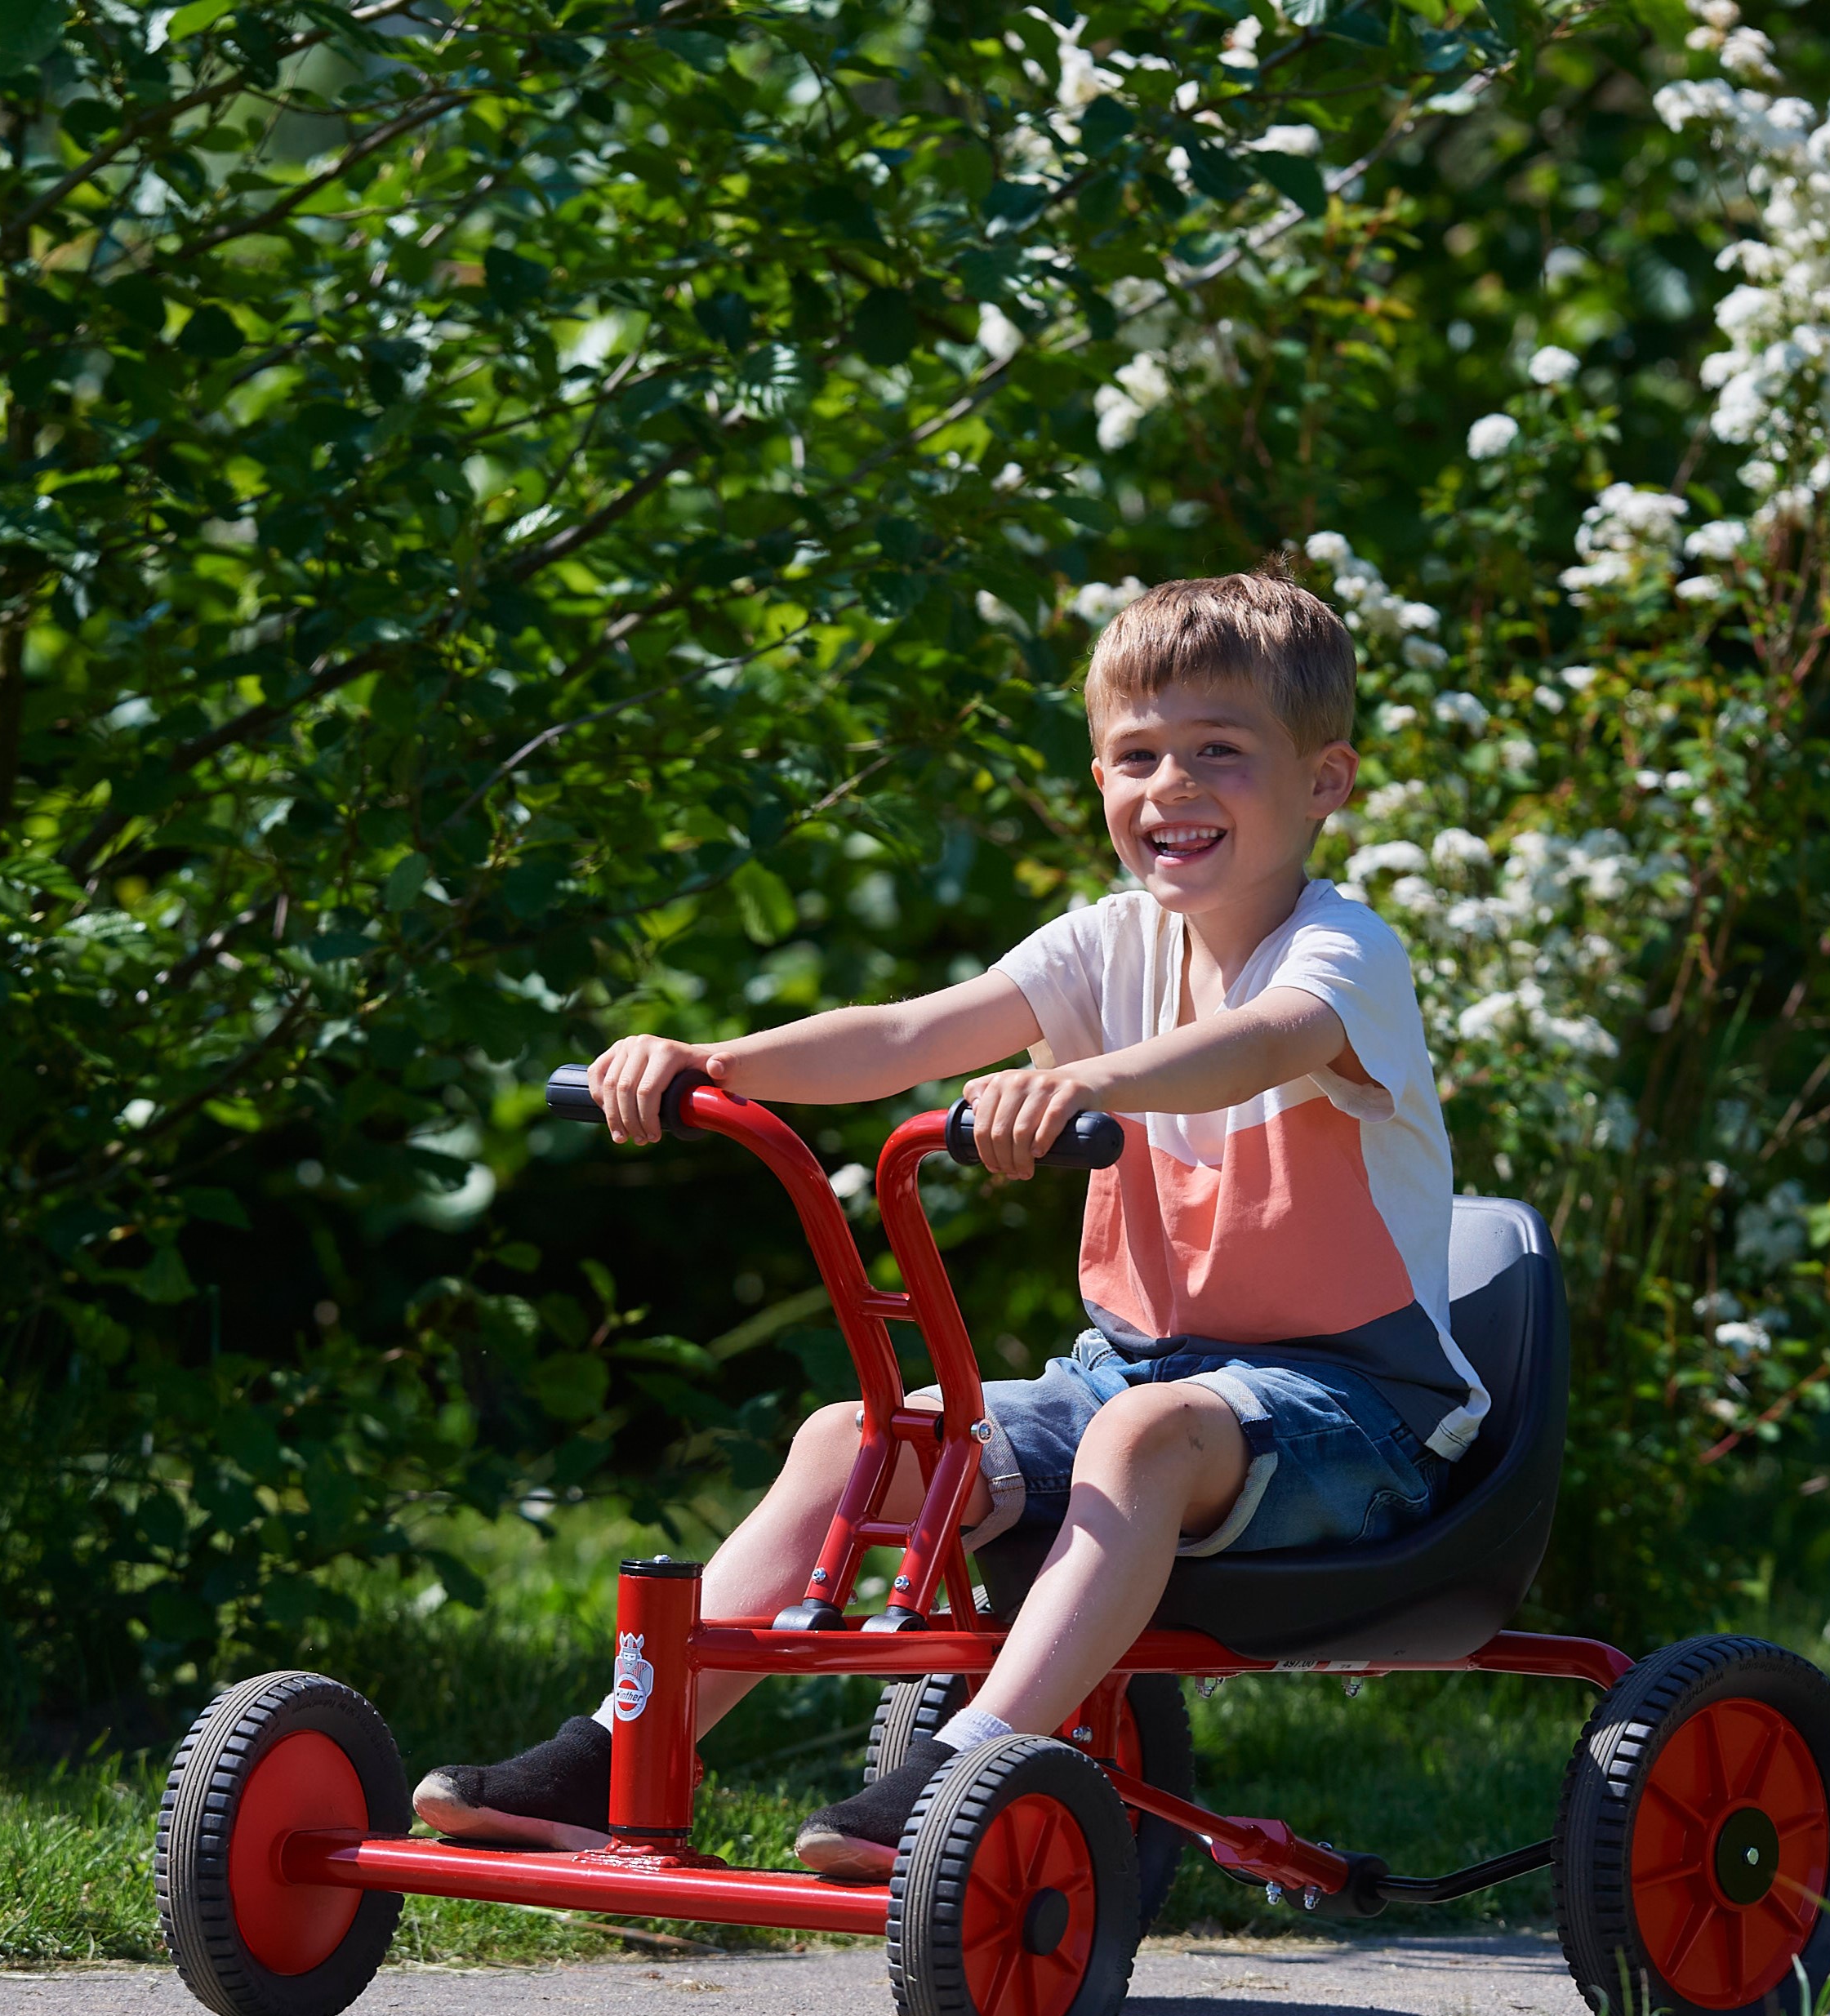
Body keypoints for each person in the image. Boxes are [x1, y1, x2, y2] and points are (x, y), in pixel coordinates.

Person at [413, 571, 1485, 1877]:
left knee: (1142, 1430)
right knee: (859, 1437)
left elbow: (1262, 1044)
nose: (1172, 788)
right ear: (1098, 777)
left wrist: (1083, 1080)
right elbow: (914, 1031)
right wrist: (718, 1060)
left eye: (1220, 752)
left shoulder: (1344, 950)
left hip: (1353, 1405)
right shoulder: (1104, 945)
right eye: (1136, 756)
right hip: (1132, 1380)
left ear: (1325, 782)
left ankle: (968, 1768)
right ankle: (617, 1756)